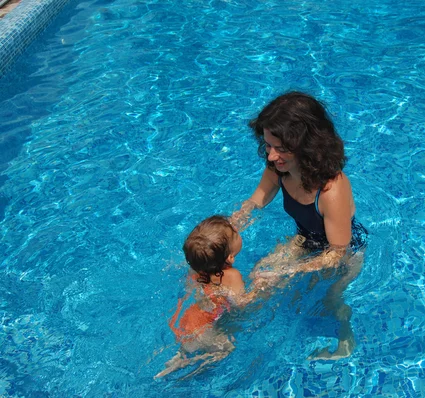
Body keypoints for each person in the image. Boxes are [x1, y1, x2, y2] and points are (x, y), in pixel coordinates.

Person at [231, 91, 367, 360]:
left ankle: (345, 341)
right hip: (305, 240)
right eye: (268, 146)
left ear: (307, 145)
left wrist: (290, 270)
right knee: (258, 279)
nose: (271, 156)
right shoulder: (279, 167)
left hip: (344, 253)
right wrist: (232, 225)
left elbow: (337, 252)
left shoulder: (331, 190)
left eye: (280, 149)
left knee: (330, 302)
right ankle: (222, 337)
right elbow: (259, 198)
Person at [155, 215, 268, 379]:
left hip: (188, 320)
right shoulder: (232, 275)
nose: (237, 230)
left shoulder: (197, 268)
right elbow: (242, 304)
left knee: (191, 344)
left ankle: (180, 357)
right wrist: (260, 287)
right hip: (205, 330)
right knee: (226, 350)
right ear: (230, 257)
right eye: (235, 234)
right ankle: (192, 366)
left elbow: (191, 287)